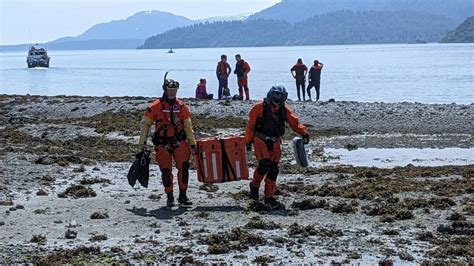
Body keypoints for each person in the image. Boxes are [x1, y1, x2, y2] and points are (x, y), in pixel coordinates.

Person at [138, 73, 197, 208]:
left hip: (180, 141)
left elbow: (188, 126)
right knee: (165, 171)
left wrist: (192, 144)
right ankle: (170, 197)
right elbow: (145, 123)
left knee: (184, 168)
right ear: (165, 90)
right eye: (169, 90)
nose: (172, 93)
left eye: (174, 91)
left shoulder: (182, 106)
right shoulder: (156, 106)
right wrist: (142, 143)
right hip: (162, 143)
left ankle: (183, 195)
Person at [245, 84, 310, 207]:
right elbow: (251, 126)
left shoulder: (284, 109)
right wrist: (248, 142)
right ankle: (254, 186)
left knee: (274, 169)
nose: (277, 101)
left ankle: (269, 196)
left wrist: (304, 133)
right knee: (264, 164)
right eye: (276, 97)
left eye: (280, 98)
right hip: (260, 139)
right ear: (271, 95)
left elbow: (294, 123)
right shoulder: (259, 107)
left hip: (275, 141)